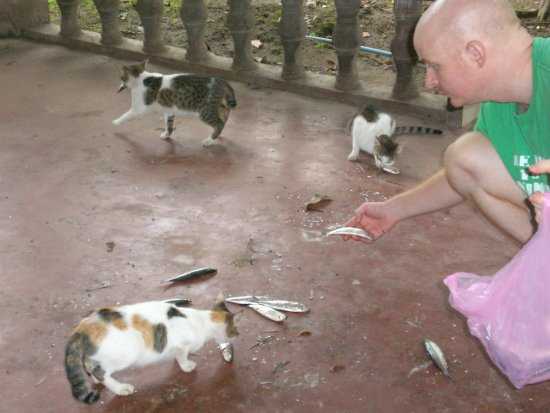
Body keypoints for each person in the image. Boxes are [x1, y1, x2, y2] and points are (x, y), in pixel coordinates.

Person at [345, 0, 550, 244]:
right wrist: (394, 209)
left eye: (434, 66)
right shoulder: (497, 101)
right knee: (465, 157)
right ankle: (541, 259)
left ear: (475, 53)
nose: (429, 82)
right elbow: (463, 174)